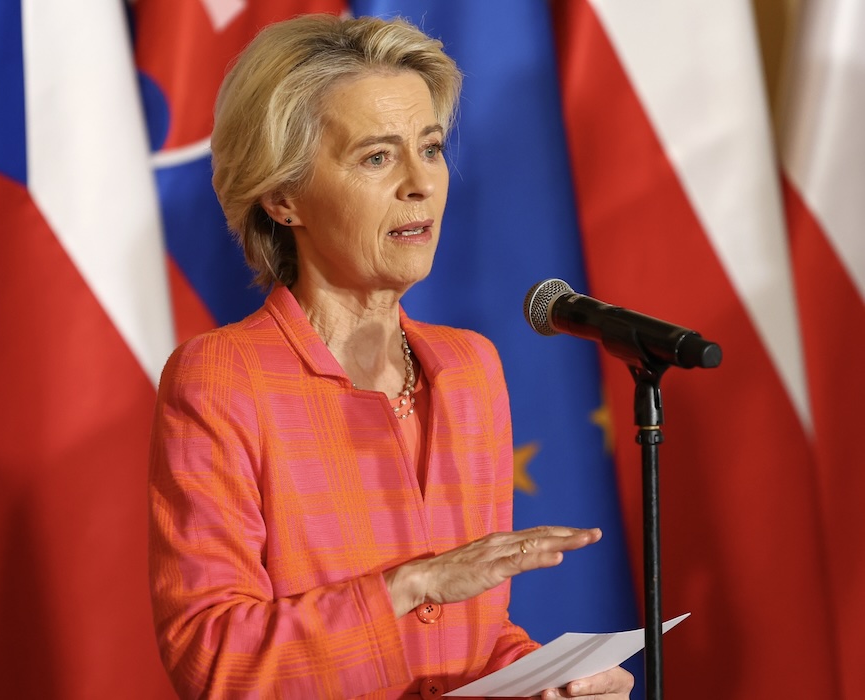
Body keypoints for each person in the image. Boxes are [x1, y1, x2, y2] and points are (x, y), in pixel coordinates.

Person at [148, 13, 633, 699]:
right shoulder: (224, 378)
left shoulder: (470, 369)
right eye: (377, 157)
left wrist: (544, 681)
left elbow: (471, 631)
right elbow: (213, 660)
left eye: (430, 148)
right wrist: (412, 584)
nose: (420, 182)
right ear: (283, 198)